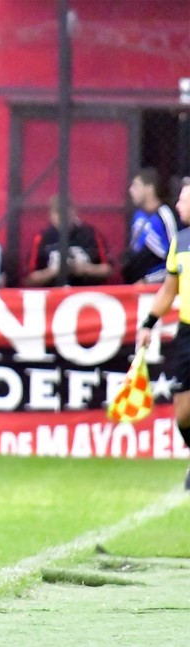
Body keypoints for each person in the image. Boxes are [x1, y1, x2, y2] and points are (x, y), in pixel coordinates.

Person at [136, 178, 190, 490]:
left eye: (183, 201)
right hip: (187, 334)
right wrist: (148, 322)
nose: (179, 206)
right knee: (183, 413)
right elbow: (169, 290)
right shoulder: (180, 242)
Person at [24, 195, 112, 287]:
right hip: (54, 293)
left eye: (66, 213)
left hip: (86, 292)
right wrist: (53, 271)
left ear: (74, 212)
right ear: (51, 215)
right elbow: (30, 279)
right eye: (58, 213)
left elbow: (108, 269)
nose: (62, 218)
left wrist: (86, 268)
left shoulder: (91, 234)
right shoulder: (42, 238)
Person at [122, 167, 178, 284]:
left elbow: (176, 258)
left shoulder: (165, 216)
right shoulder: (138, 216)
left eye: (136, 186)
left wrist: (147, 281)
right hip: (134, 284)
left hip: (156, 286)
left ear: (149, 189)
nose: (131, 190)